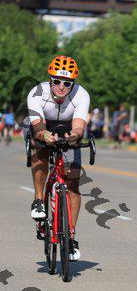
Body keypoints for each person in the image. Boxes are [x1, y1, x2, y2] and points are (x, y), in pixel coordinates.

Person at [25, 55, 90, 261]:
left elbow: (79, 125)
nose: (61, 87)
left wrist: (74, 136)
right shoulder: (37, 93)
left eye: (67, 83)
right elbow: (37, 126)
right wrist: (44, 135)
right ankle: (38, 200)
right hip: (43, 126)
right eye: (57, 81)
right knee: (40, 151)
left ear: (73, 84)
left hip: (68, 129)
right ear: (50, 80)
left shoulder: (81, 94)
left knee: (73, 182)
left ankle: (70, 236)